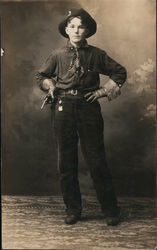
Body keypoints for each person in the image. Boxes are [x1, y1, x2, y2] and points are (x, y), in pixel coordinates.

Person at [36, 8, 127, 226]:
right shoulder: (57, 55)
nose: (76, 30)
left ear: (87, 31)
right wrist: (50, 86)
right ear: (66, 30)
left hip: (88, 108)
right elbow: (41, 75)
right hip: (63, 107)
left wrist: (102, 91)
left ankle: (111, 210)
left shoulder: (96, 54)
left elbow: (120, 72)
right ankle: (73, 209)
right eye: (72, 26)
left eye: (81, 26)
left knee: (96, 160)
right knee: (66, 161)